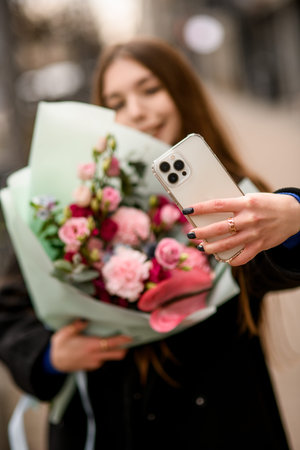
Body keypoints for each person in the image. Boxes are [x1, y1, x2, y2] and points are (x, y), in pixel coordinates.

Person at [0, 36, 299, 450]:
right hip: (105, 425)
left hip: (219, 423)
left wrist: (292, 215)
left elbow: (277, 265)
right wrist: (50, 357)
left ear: (180, 92)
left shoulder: (233, 198)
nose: (137, 112)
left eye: (150, 89)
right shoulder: (75, 198)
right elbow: (12, 308)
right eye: (117, 101)